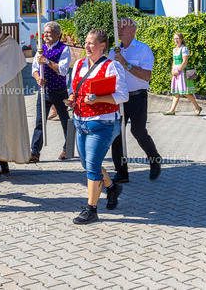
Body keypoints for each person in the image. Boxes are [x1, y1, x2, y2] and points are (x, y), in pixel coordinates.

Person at [68, 29, 128, 224]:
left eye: (91, 43)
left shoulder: (112, 66)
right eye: (86, 42)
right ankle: (112, 188)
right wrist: (71, 98)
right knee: (87, 164)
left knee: (92, 166)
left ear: (102, 46)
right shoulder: (79, 64)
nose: (87, 46)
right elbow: (74, 90)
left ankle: (91, 209)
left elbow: (123, 95)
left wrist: (97, 99)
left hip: (103, 122)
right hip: (80, 121)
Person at [108, 18, 162, 183]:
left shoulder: (143, 49)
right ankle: (121, 172)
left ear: (133, 31)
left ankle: (154, 159)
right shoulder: (113, 52)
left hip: (137, 96)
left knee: (138, 132)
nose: (119, 30)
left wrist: (126, 64)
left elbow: (147, 76)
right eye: (118, 27)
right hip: (119, 97)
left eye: (123, 27)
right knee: (116, 134)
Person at [0, 13, 30, 177]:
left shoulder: (10, 44)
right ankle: (1, 162)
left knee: (0, 126)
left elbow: (4, 69)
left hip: (6, 93)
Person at [29, 21, 71, 162]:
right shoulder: (41, 49)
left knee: (65, 121)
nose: (45, 35)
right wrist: (37, 78)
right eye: (45, 32)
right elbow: (34, 68)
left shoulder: (64, 49)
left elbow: (63, 70)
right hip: (44, 91)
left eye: (48, 32)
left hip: (59, 91)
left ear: (57, 34)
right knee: (39, 122)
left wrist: (46, 61)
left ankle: (68, 149)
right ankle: (35, 151)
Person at [163, 33, 201, 116]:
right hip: (176, 73)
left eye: (177, 38)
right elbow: (174, 61)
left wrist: (178, 71)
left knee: (186, 92)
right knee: (176, 92)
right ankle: (172, 110)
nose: (176, 40)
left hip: (182, 72)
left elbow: (185, 62)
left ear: (181, 39)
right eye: (174, 38)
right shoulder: (174, 49)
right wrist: (172, 71)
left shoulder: (184, 49)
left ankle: (197, 107)